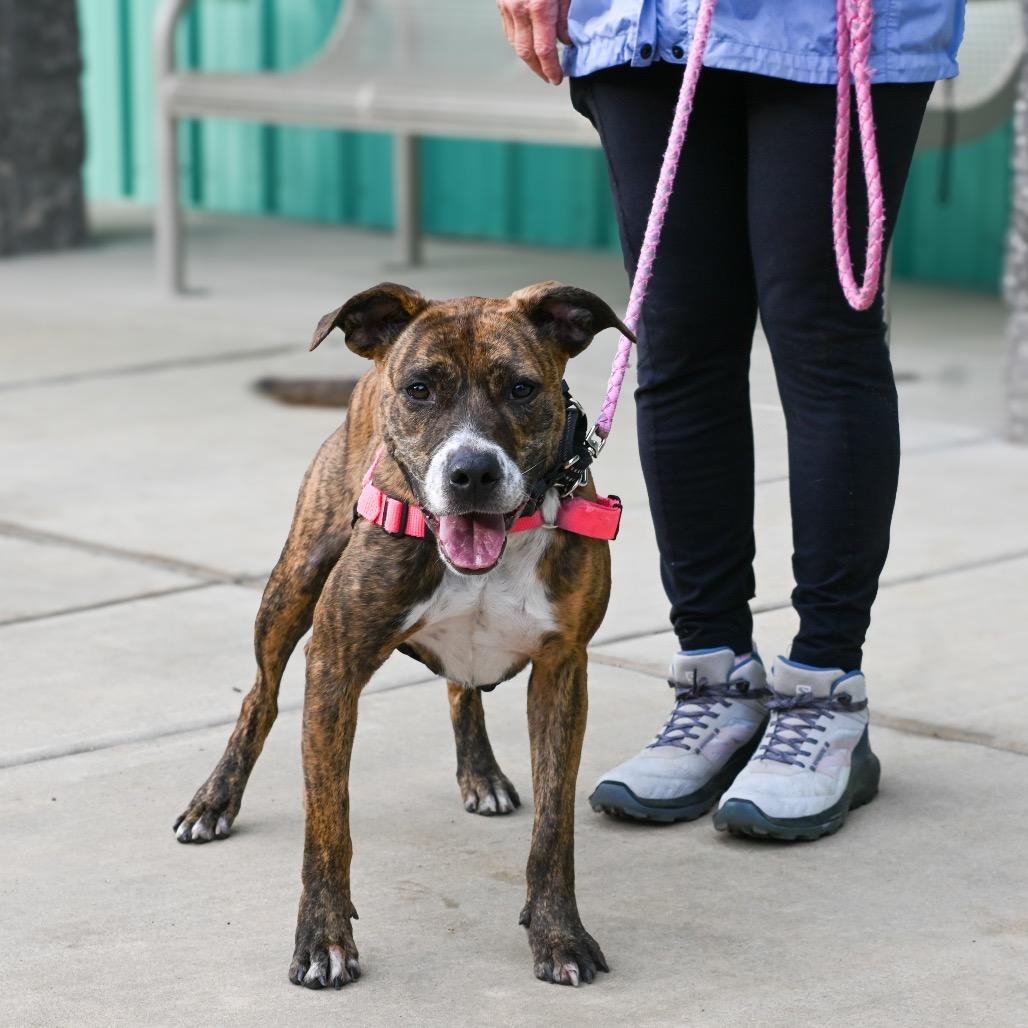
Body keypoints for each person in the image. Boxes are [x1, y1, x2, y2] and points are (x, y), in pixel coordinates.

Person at [496, 0, 964, 840]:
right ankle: (715, 681)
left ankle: (826, 691)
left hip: (824, 27)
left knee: (823, 344)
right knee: (676, 345)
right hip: (643, 25)